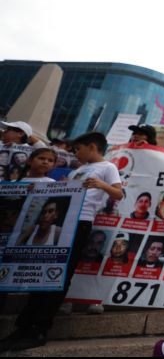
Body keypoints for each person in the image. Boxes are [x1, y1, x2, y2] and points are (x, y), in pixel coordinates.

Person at [0, 132, 123, 351]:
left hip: (81, 221)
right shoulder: (77, 170)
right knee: (42, 272)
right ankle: (23, 326)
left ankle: (40, 328)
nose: (77, 154)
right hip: (63, 221)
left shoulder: (107, 167)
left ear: (92, 147)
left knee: (59, 275)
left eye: (79, 149)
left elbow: (118, 194)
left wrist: (100, 185)